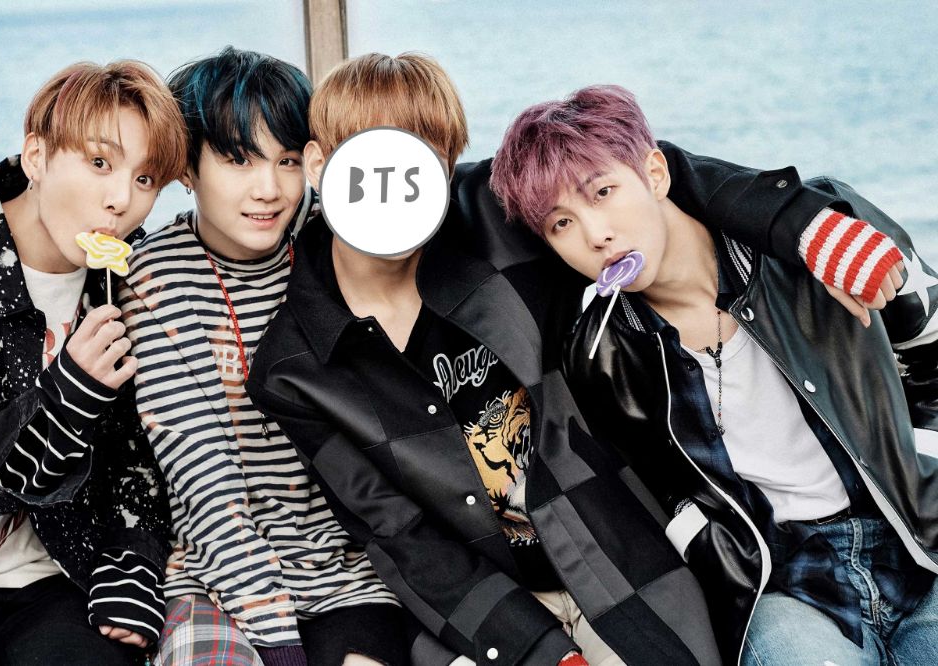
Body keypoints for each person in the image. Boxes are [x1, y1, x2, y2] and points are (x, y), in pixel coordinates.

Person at [245, 52, 873, 666]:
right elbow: (400, 536)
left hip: (620, 560)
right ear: (321, 164)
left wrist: (806, 227)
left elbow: (638, 167)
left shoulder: (493, 218)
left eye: (422, 164)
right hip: (486, 613)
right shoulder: (292, 370)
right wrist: (540, 652)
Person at [489, 84, 938, 665]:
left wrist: (919, 459)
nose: (595, 235)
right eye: (561, 224)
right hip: (782, 581)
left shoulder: (815, 234)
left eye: (603, 192)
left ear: (655, 174)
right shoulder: (604, 349)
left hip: (917, 536)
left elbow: (931, 347)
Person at [118, 47, 406, 666]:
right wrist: (278, 645)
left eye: (288, 160)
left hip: (354, 571)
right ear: (187, 167)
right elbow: (205, 481)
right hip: (216, 575)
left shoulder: (337, 244)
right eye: (238, 159)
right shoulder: (156, 279)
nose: (269, 189)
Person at [0, 60, 185, 664]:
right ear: (37, 157)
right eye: (99, 163)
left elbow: (144, 459)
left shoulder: (132, 281)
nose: (121, 200)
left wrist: (134, 564)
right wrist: (64, 396)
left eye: (146, 178)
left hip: (66, 577)